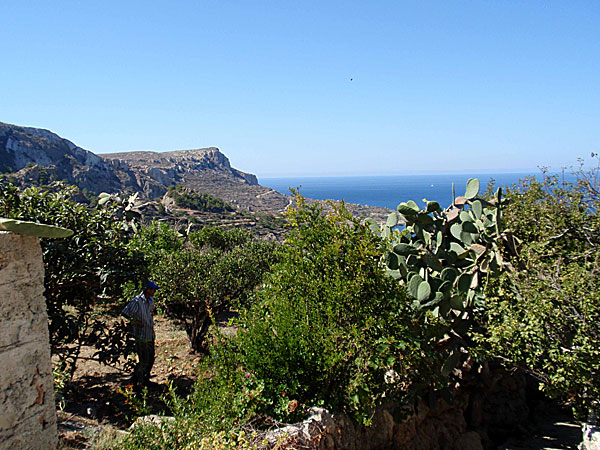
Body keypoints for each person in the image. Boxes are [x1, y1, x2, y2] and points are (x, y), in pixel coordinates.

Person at [121, 280, 159, 388]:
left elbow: (151, 312)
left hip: (149, 334)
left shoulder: (150, 301)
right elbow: (125, 314)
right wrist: (135, 322)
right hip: (140, 335)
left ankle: (144, 381)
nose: (154, 292)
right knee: (143, 360)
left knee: (150, 359)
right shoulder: (136, 302)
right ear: (148, 290)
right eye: (153, 290)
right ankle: (136, 382)